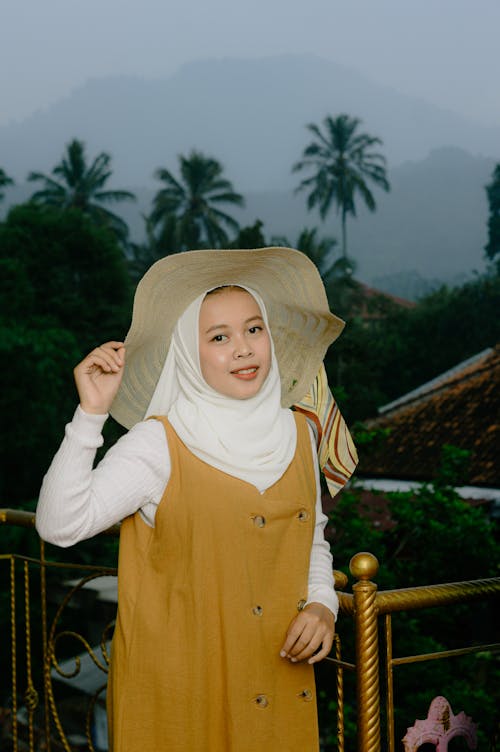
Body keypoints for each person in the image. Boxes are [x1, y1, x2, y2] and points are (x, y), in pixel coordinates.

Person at [36, 247, 357, 752]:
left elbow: (310, 535)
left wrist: (321, 605)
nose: (244, 348)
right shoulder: (158, 443)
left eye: (254, 329)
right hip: (181, 692)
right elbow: (59, 525)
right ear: (189, 351)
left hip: (277, 677)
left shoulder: (300, 434)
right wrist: (90, 415)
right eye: (219, 337)